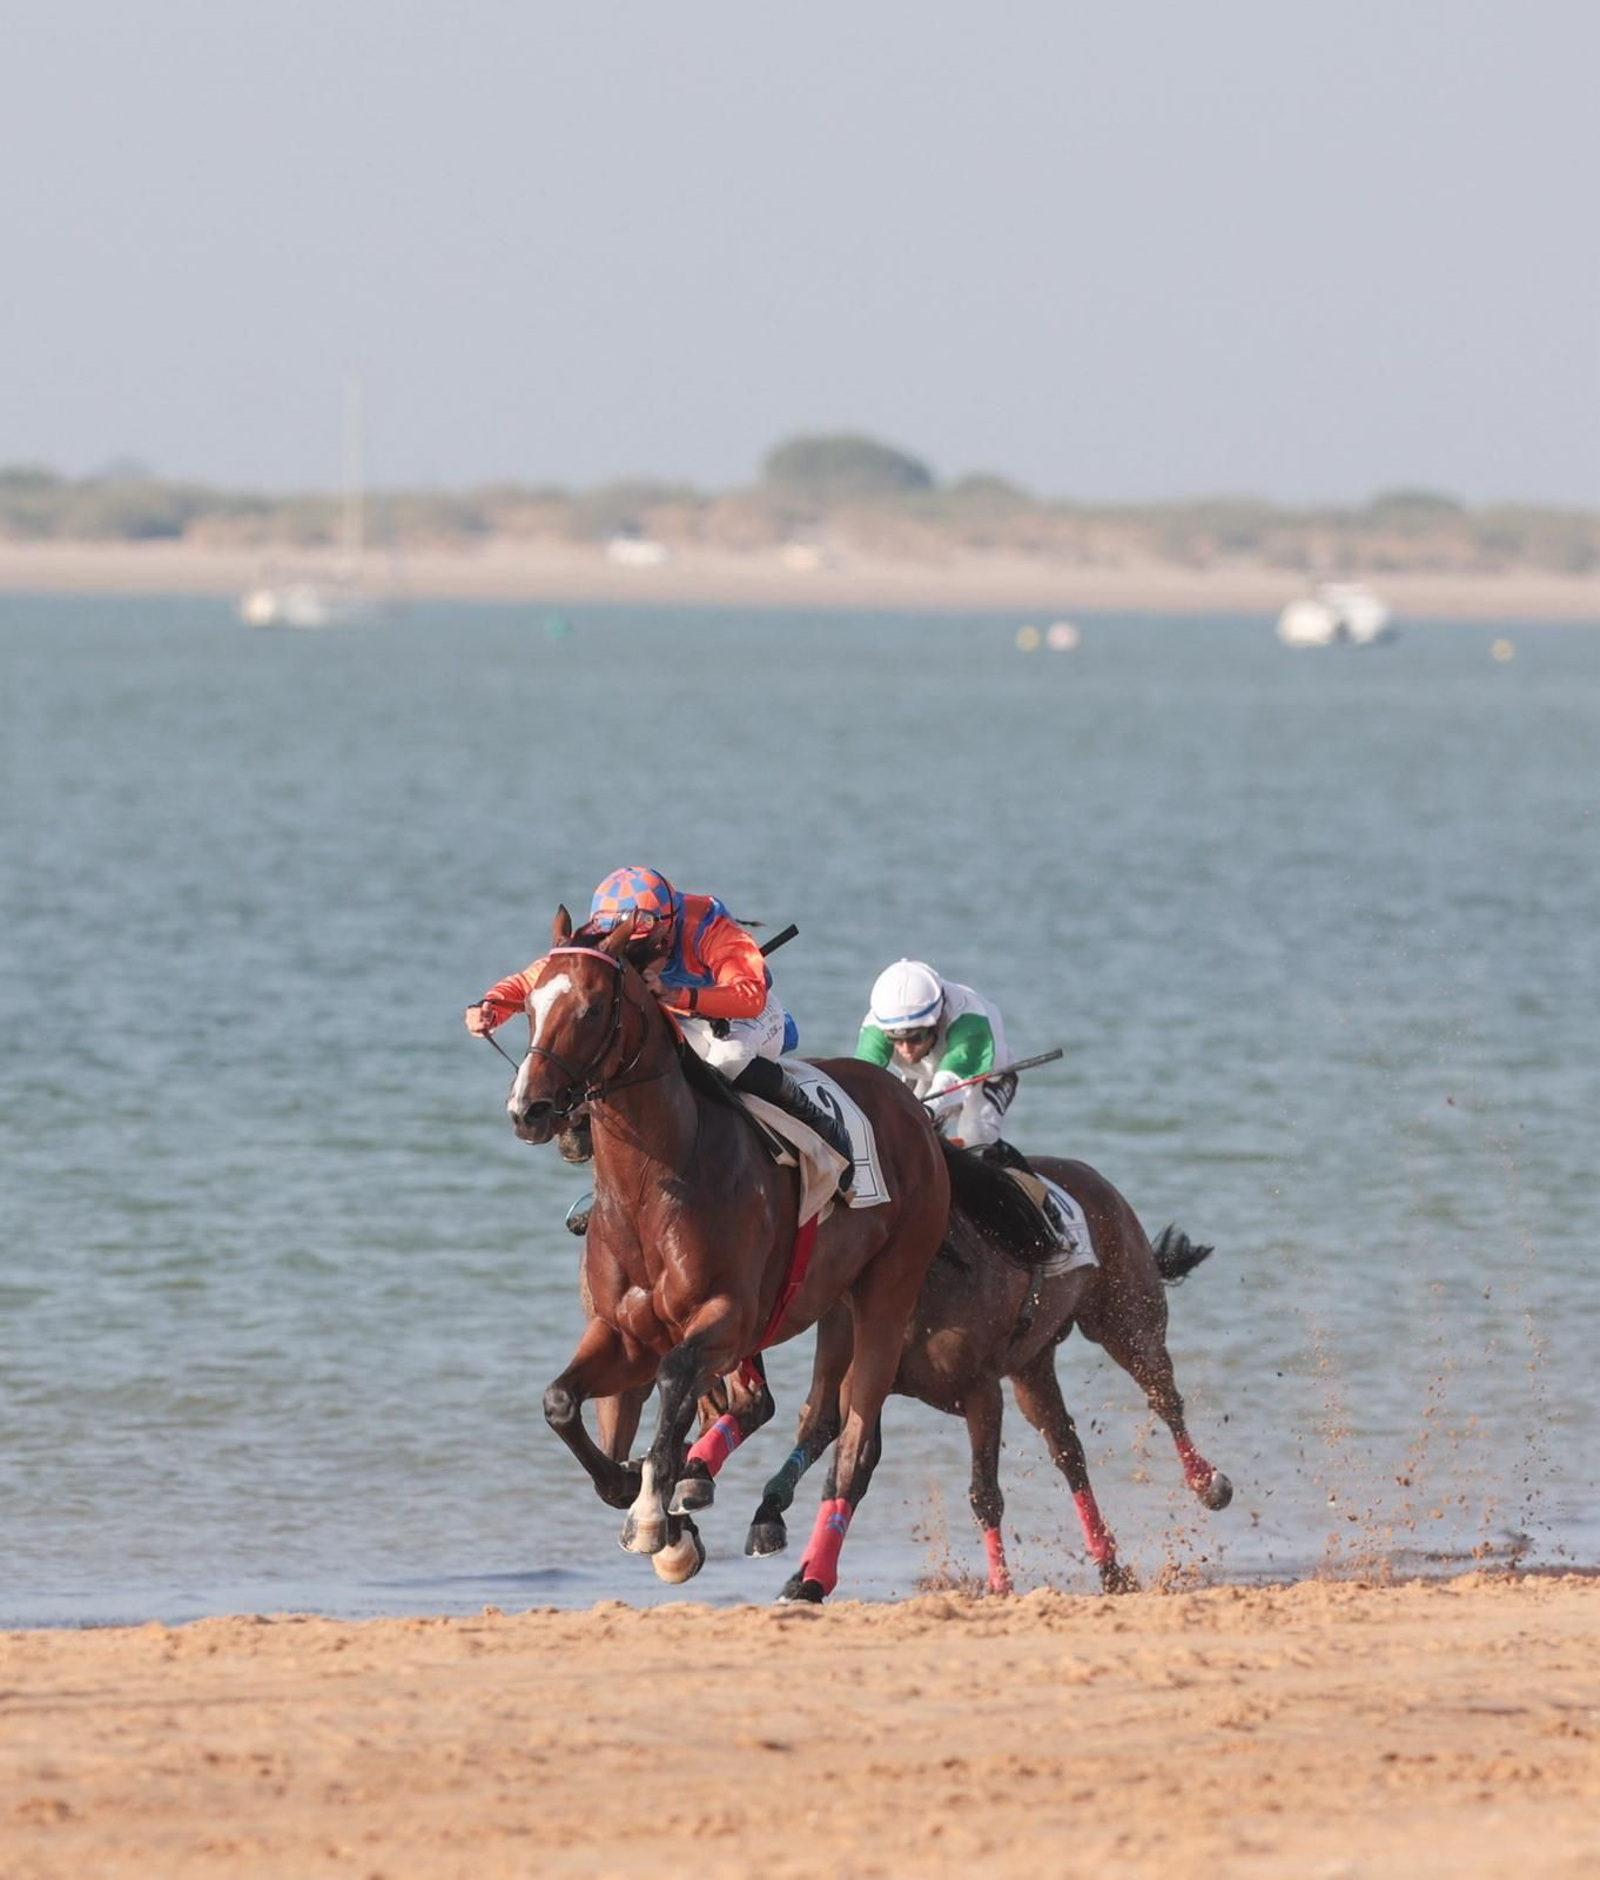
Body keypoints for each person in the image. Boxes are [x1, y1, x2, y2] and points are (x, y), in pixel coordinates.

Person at [465, 865, 856, 1184]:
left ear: (667, 927)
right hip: (678, 1019)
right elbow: (541, 982)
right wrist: (491, 1006)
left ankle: (816, 1124)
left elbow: (749, 994)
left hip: (745, 1015)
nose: (628, 953)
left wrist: (677, 995)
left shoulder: (711, 928)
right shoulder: (602, 935)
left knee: (727, 1058)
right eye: (622, 943)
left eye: (638, 945)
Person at [855, 959, 1021, 1158]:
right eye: (895, 1040)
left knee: (975, 1134)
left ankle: (1010, 1175)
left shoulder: (968, 1018)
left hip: (985, 1074)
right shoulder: (877, 1026)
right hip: (927, 1075)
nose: (906, 1049)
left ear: (936, 1022)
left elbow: (949, 1084)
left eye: (915, 1037)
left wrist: (922, 1114)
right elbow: (860, 1079)